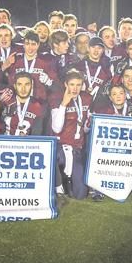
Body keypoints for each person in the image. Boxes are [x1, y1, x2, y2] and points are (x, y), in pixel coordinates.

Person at [50, 70, 93, 199]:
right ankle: (59, 184)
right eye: (72, 84)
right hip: (60, 146)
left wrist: (88, 124)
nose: (75, 88)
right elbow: (56, 128)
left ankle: (68, 182)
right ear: (65, 85)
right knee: (60, 160)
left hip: (77, 148)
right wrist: (64, 104)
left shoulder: (86, 98)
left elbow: (84, 130)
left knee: (81, 194)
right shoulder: (56, 98)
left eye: (78, 85)